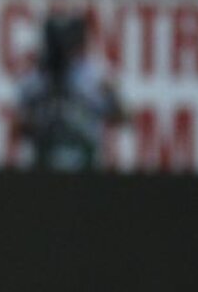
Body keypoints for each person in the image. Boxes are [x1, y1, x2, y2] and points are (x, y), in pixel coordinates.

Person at [15, 13, 127, 172]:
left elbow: (121, 117)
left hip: (84, 155)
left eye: (67, 41)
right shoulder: (35, 79)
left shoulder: (95, 76)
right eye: (57, 42)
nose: (62, 48)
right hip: (46, 156)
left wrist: (110, 97)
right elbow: (18, 128)